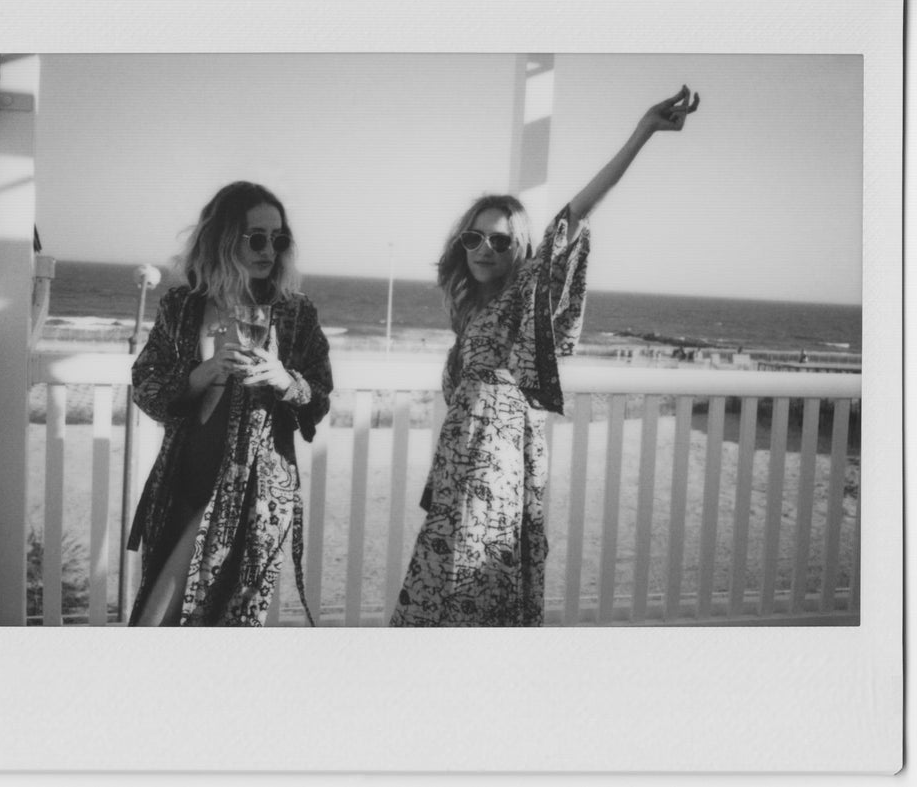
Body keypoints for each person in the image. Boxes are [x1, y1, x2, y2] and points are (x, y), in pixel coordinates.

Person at [390, 85, 701, 627]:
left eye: (502, 241)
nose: (486, 248)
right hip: (457, 476)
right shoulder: (468, 317)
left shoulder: (519, 298)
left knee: (471, 591)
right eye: (475, 238)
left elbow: (572, 218)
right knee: (441, 594)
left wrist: (643, 132)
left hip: (493, 474)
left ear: (522, 253)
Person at [127, 181, 332, 627]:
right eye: (256, 238)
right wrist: (206, 372)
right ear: (223, 238)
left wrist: (284, 380)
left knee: (168, 618)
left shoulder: (294, 312)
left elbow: (318, 398)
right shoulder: (182, 307)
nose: (268, 250)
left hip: (252, 492)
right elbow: (146, 384)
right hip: (181, 480)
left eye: (278, 240)